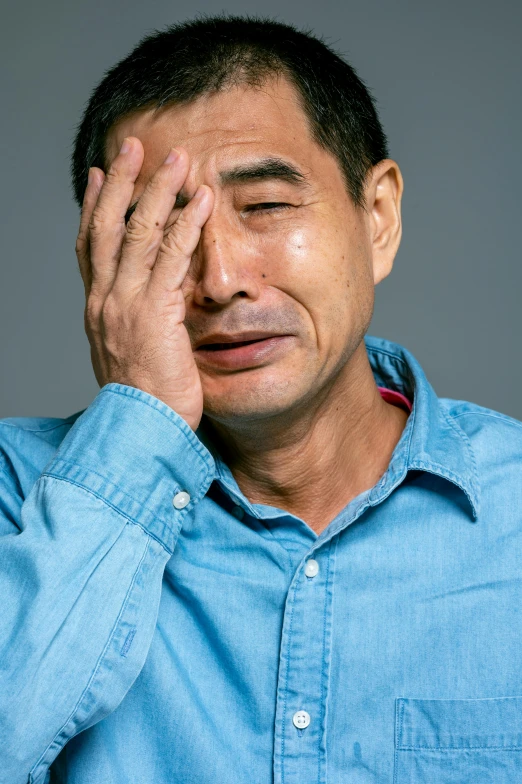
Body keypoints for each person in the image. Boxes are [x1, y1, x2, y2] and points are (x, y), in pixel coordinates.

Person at [1, 14, 521, 784]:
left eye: (268, 206)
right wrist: (138, 413)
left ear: (376, 218)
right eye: (161, 225)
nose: (218, 281)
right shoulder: (20, 491)